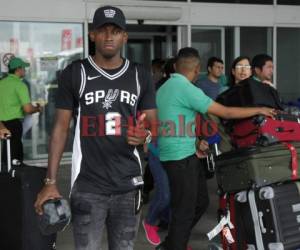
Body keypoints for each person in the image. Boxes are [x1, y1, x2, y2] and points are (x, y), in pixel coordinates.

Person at [34, 5, 157, 250]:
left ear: (125, 36)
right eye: (103, 30)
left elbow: (152, 123)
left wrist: (146, 135)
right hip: (88, 186)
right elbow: (60, 129)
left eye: (115, 31)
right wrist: (50, 181)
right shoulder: (75, 73)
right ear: (92, 35)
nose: (109, 36)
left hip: (128, 185)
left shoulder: (139, 74)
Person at [155, 47, 276, 250]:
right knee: (185, 210)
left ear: (176, 66)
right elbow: (226, 112)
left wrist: (195, 142)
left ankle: (174, 241)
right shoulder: (187, 89)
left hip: (180, 154)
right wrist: (259, 109)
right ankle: (174, 245)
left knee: (200, 201)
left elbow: (172, 119)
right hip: (180, 159)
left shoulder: (164, 88)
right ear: (198, 69)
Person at [0, 57, 42, 162]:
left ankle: (5, 176)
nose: (25, 70)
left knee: (5, 154)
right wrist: (37, 108)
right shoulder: (20, 85)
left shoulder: (1, 83)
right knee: (15, 157)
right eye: (23, 68)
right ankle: (12, 178)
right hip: (13, 125)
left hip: (1, 124)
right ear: (18, 69)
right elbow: (27, 109)